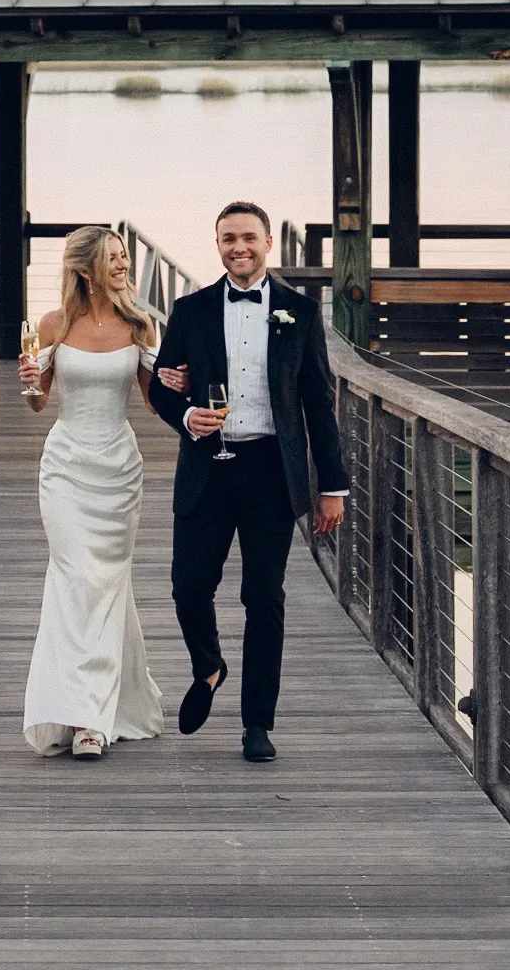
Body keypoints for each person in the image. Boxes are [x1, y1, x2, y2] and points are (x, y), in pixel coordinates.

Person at [147, 201, 349, 762]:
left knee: (264, 598)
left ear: (266, 244)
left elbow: (319, 403)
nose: (239, 247)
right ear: (217, 245)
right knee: (188, 588)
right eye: (228, 238)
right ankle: (208, 665)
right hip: (206, 469)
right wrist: (185, 415)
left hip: (269, 473)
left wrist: (332, 485)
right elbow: (163, 388)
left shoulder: (300, 314)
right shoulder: (188, 311)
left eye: (249, 238)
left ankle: (258, 723)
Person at [16, 226, 165, 759]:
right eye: (114, 259)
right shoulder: (53, 324)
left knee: (105, 583)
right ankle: (81, 715)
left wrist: (184, 384)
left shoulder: (139, 324)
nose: (124, 266)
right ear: (85, 269)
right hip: (66, 468)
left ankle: (95, 712)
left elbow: (154, 403)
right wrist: (30, 379)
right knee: (76, 576)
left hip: (119, 471)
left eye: (126, 257)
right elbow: (38, 402)